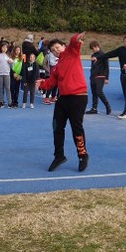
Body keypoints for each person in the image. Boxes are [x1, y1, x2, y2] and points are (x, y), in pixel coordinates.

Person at [36, 33, 90, 173]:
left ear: (64, 46)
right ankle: (59, 156)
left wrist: (76, 38)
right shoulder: (57, 66)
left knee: (76, 128)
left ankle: (82, 155)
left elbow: (74, 43)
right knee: (57, 126)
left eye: (57, 47)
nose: (56, 50)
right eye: (53, 50)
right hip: (63, 99)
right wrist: (41, 84)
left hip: (78, 97)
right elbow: (52, 82)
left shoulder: (72, 53)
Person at [95, 35, 126, 119]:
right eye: (125, 41)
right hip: (123, 74)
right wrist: (98, 57)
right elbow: (110, 54)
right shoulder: (121, 50)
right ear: (123, 42)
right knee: (125, 93)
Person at [86, 40, 112, 115]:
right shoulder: (93, 55)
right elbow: (93, 66)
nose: (92, 50)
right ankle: (94, 108)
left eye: (93, 48)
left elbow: (107, 67)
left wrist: (107, 78)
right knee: (94, 93)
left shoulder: (104, 55)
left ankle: (107, 106)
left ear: (97, 46)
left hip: (100, 76)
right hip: (93, 76)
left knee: (99, 92)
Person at [0, 42, 12, 108]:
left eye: (6, 47)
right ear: (1, 48)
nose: (4, 48)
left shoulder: (8, 56)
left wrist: (11, 62)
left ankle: (9, 102)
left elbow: (12, 66)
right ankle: (1, 102)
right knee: (0, 88)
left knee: (8, 88)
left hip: (7, 74)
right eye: (3, 47)